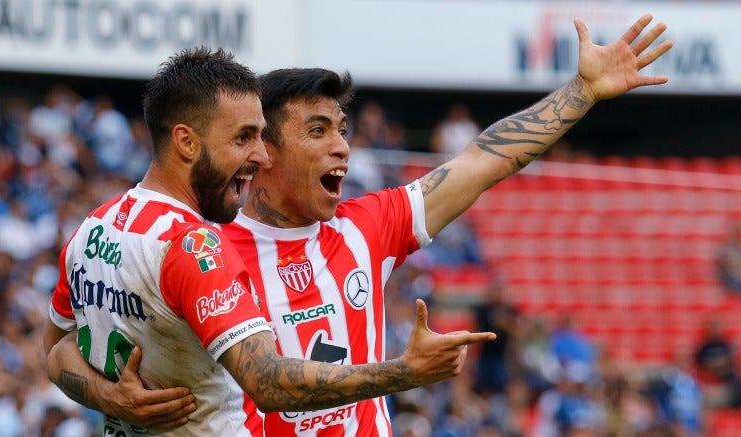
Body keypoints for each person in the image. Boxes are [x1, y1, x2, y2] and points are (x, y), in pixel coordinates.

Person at [50, 13, 673, 436]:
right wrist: (106, 395)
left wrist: (581, 92)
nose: (342, 147)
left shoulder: (365, 226)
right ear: (263, 150)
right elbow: (68, 353)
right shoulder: (203, 247)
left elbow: (484, 159)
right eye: (317, 131)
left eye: (343, 129)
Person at [42, 46, 496, 436]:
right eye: (243, 138)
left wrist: (109, 396)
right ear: (186, 142)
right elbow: (267, 381)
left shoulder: (94, 229)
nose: (258, 156)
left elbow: (56, 349)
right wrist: (405, 372)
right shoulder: (195, 246)